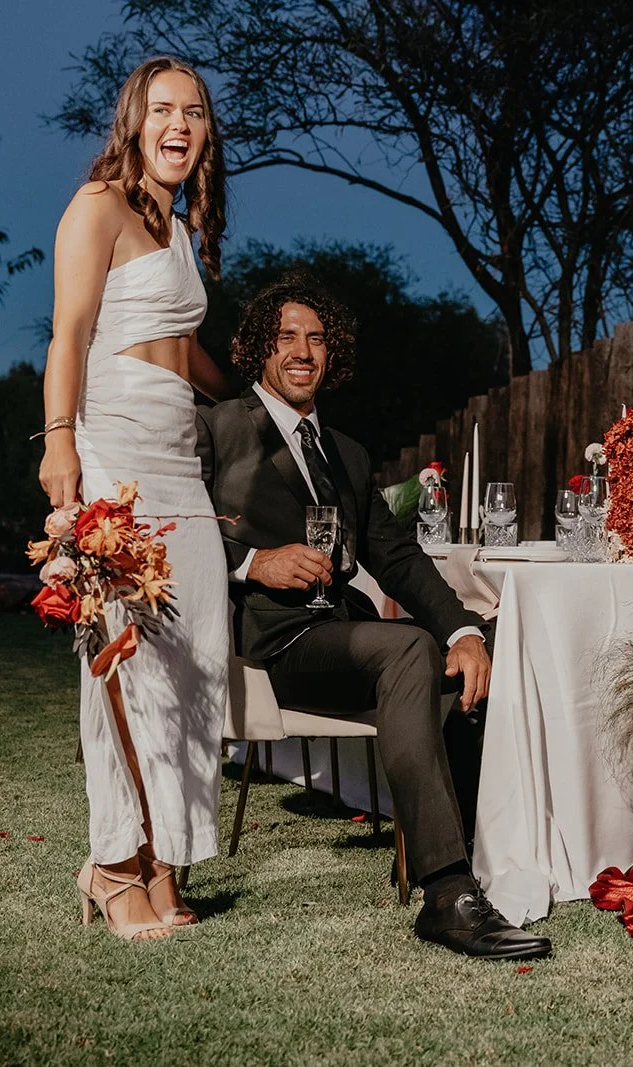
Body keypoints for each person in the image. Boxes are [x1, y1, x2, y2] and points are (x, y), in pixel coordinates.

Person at [196, 275, 552, 960]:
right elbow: (177, 530)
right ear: (261, 349)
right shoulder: (220, 427)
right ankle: (447, 894)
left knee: (492, 645)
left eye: (317, 337)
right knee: (409, 650)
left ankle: (490, 857)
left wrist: (467, 632)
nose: (304, 350)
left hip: (353, 635)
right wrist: (252, 562)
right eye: (288, 336)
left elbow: (401, 560)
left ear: (333, 354)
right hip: (279, 643)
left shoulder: (349, 455)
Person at [39, 56, 238, 940]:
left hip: (179, 455)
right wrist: (60, 448)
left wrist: (239, 397)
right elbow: (70, 335)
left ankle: (164, 857)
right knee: (124, 658)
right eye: (164, 109)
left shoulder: (181, 226)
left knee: (195, 657)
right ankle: (113, 862)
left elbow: (178, 345)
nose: (180, 125)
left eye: (194, 112)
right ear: (134, 121)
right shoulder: (97, 208)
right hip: (115, 449)